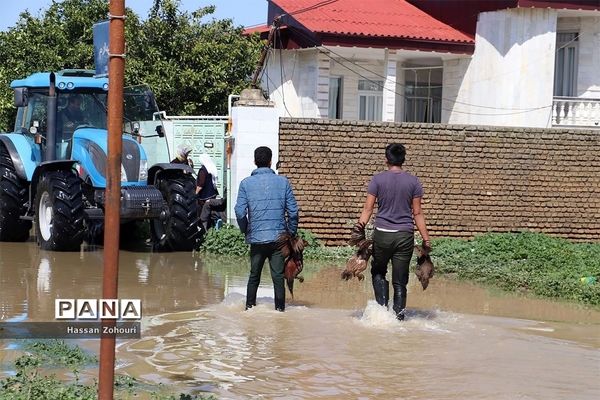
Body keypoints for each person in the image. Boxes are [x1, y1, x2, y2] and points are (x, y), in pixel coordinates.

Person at [356, 143, 431, 321]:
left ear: (386, 160)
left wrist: (358, 231)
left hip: (382, 234)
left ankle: (382, 315)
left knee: (378, 272)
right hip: (404, 236)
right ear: (403, 160)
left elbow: (367, 209)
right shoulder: (413, 182)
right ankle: (398, 319)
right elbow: (418, 213)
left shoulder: (377, 180)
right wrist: (426, 239)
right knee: (400, 280)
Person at [235, 146, 299, 312]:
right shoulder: (283, 182)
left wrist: (246, 230)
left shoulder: (245, 184)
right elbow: (293, 212)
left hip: (256, 239)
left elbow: (239, 212)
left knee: (254, 276)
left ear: (255, 161)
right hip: (278, 240)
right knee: (278, 277)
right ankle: (280, 312)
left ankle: (249, 309)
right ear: (271, 161)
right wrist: (291, 233)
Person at [196, 153, 224, 231]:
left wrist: (195, 193)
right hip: (212, 193)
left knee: (204, 212)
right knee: (210, 211)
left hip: (204, 195)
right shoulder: (210, 168)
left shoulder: (203, 170)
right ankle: (212, 226)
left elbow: (200, 184)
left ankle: (204, 229)